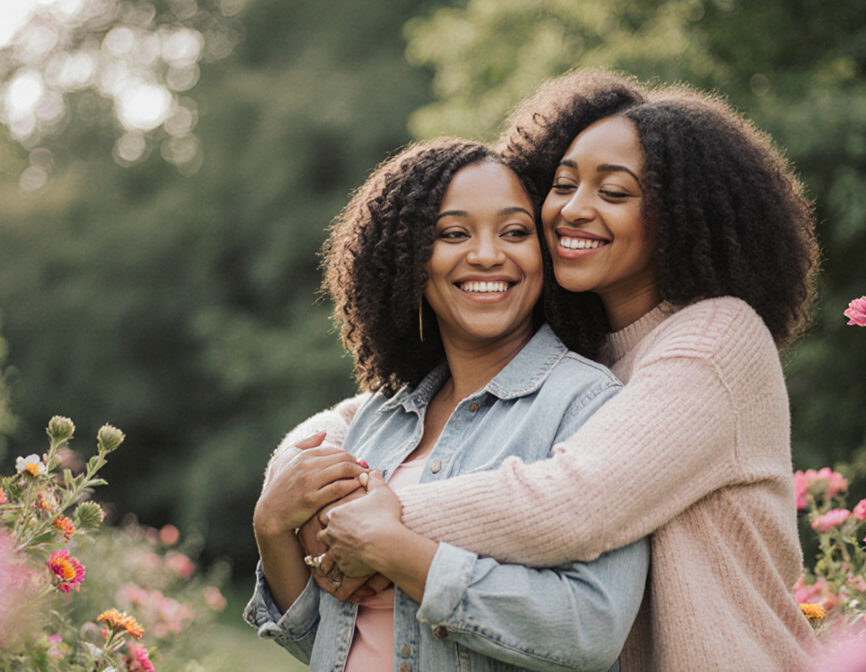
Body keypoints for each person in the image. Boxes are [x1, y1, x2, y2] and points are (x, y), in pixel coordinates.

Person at [275, 70, 821, 671]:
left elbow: (572, 504)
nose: (573, 210)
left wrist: (377, 521)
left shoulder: (714, 338)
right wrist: (291, 483)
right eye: (562, 186)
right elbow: (359, 415)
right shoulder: (590, 351)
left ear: (683, 216)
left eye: (614, 193)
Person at [246, 136, 649, 672]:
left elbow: (589, 629)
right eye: (453, 233)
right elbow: (328, 640)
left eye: (515, 232)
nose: (486, 254)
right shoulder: (380, 420)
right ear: (410, 260)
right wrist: (271, 525)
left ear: (544, 254)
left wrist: (397, 550)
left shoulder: (588, 406)